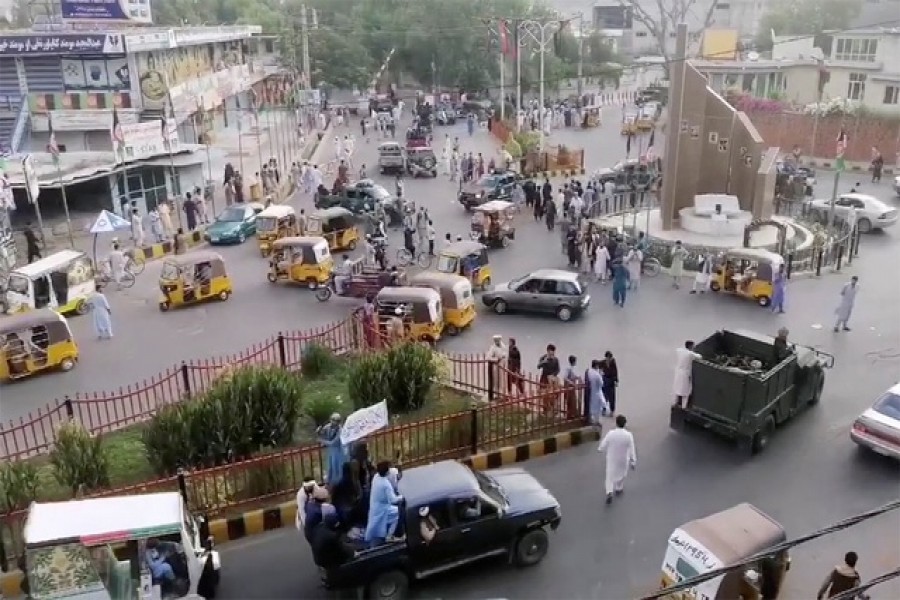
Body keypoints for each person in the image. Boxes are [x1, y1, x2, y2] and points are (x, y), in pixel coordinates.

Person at [597, 415, 637, 504]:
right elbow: (632, 449)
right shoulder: (628, 435)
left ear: (616, 423)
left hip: (612, 458)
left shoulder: (611, 433)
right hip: (623, 459)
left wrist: (600, 448)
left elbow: (604, 443)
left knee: (609, 476)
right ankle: (619, 487)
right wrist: (633, 461)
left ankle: (609, 491)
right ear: (625, 424)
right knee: (622, 474)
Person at [364, 461, 405, 547]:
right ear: (387, 471)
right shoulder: (385, 484)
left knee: (375, 523)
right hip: (383, 508)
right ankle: (390, 536)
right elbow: (393, 500)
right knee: (397, 513)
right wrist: (402, 497)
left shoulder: (376, 477)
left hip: (375, 506)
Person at [317, 413, 346, 485]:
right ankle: (329, 482)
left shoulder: (340, 430)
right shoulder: (328, 427)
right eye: (333, 420)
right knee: (330, 467)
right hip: (330, 451)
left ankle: (337, 483)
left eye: (337, 421)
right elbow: (323, 434)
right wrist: (318, 432)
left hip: (338, 450)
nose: (334, 422)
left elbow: (333, 442)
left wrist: (322, 441)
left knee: (337, 467)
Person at [673, 341, 701, 407]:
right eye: (693, 346)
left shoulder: (679, 351)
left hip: (678, 372)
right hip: (685, 373)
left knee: (677, 388)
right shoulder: (690, 354)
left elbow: (678, 349)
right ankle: (683, 406)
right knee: (686, 391)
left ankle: (675, 403)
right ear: (690, 346)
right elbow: (699, 357)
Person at [586, 359, 606, 425]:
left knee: (590, 405)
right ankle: (596, 421)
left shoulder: (589, 371)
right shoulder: (597, 375)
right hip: (596, 392)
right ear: (596, 366)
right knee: (597, 408)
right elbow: (601, 384)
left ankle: (590, 418)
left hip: (589, 391)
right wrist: (601, 375)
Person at [562, 355, 582, 419]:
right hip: (569, 386)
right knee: (569, 400)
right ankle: (569, 415)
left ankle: (572, 414)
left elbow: (575, 376)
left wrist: (578, 378)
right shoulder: (568, 368)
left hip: (572, 386)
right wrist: (571, 383)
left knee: (573, 400)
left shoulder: (573, 368)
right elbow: (565, 377)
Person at [601, 351, 618, 416]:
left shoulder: (613, 362)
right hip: (605, 380)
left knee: (612, 397)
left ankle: (612, 410)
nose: (609, 359)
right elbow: (598, 365)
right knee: (604, 396)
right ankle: (604, 409)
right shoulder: (603, 362)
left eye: (610, 357)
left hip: (611, 381)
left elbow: (615, 371)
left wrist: (616, 381)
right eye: (608, 357)